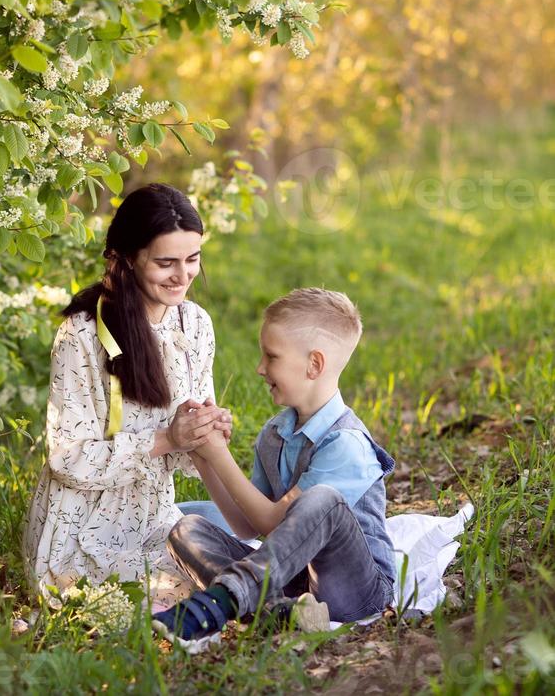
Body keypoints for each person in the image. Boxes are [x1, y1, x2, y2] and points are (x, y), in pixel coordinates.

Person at [22, 183, 232, 607]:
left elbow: (184, 451)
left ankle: (287, 607)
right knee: (186, 591)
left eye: (192, 259)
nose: (183, 275)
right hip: (81, 525)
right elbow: (67, 459)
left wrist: (203, 433)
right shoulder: (81, 334)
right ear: (129, 258)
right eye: (165, 263)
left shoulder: (194, 324)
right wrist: (168, 439)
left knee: (226, 567)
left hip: (154, 512)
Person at [152, 287, 397, 643]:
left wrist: (222, 456)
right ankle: (279, 613)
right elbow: (248, 526)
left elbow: (272, 519)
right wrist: (204, 456)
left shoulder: (347, 444)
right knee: (186, 529)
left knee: (321, 500)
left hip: (355, 590)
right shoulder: (275, 434)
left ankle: (223, 601)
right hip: (293, 581)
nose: (260, 368)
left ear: (314, 364)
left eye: (271, 356)